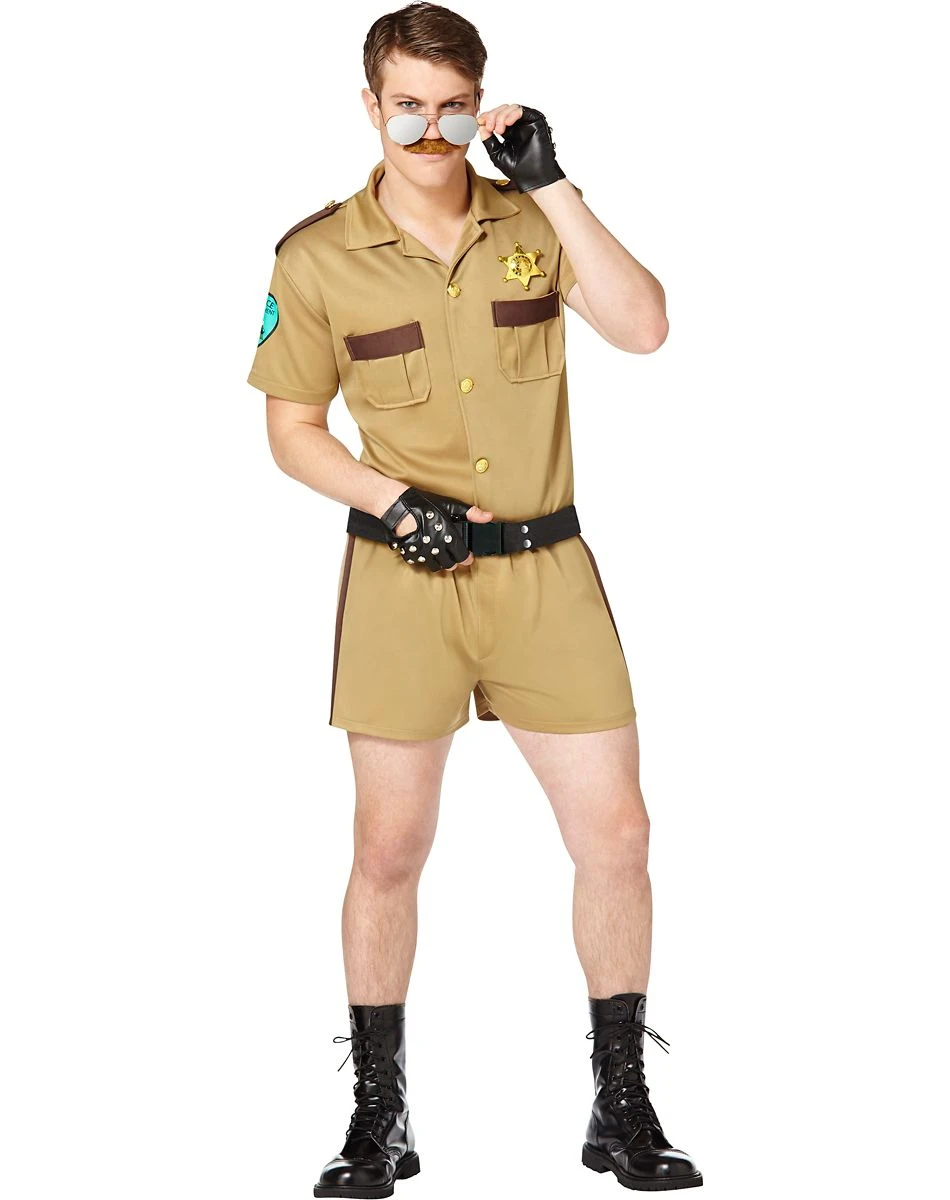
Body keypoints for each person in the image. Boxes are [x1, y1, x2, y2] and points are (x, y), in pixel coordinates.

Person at [246, 3, 702, 1194]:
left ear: (479, 104)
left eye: (452, 108)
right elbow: (291, 430)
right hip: (402, 580)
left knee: (618, 836)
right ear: (370, 106)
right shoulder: (315, 256)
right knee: (388, 848)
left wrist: (551, 184)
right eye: (406, 106)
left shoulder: (532, 223)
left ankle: (620, 1104)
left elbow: (644, 326)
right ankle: (377, 1116)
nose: (429, 131)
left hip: (547, 575)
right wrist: (394, 499)